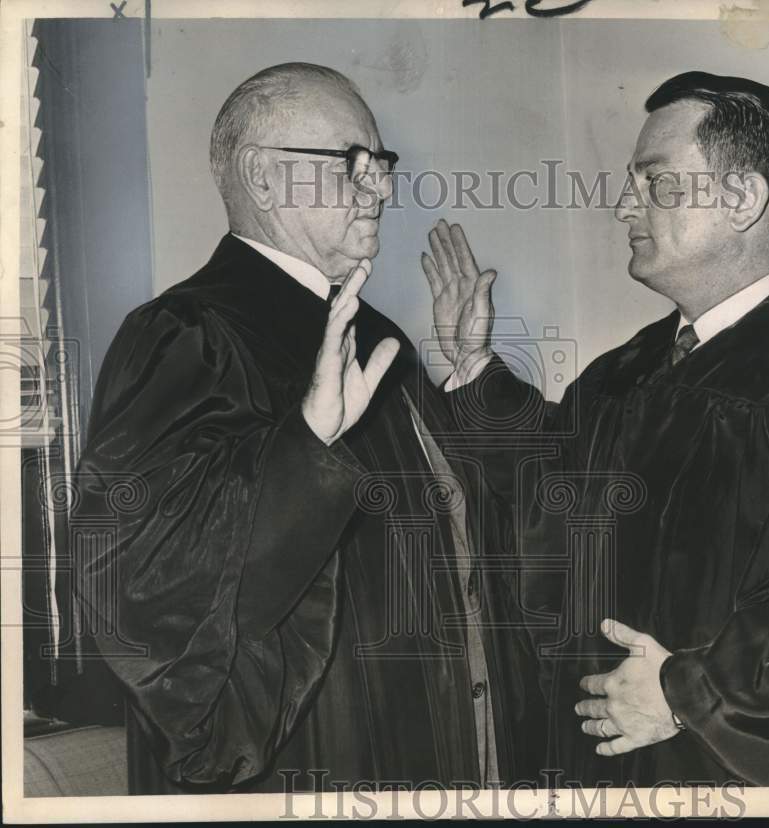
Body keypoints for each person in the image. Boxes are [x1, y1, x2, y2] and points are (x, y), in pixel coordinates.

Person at [421, 71, 769, 786]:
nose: (625, 205)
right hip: (600, 770)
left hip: (724, 773)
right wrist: (473, 367)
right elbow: (554, 491)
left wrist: (688, 694)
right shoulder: (627, 369)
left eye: (655, 183)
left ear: (743, 198)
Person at [74, 62, 544, 794]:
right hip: (321, 765)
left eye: (381, 165)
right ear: (263, 179)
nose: (382, 188)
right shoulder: (187, 332)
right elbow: (143, 590)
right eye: (353, 163)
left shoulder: (372, 332)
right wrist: (304, 446)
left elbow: (454, 530)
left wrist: (467, 371)